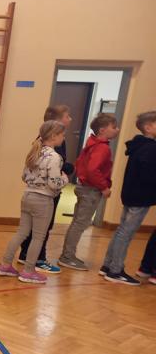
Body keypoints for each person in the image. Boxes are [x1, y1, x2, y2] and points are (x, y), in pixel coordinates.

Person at [0, 121, 68, 284]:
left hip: (27, 196)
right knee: (38, 237)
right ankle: (28, 271)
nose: (64, 138)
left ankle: (5, 264)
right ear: (54, 136)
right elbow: (54, 184)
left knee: (21, 233)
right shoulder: (54, 157)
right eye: (62, 135)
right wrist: (64, 179)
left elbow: (24, 176)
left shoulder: (35, 152)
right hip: (43, 200)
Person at [100, 111, 156, 285]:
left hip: (132, 195)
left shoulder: (139, 145)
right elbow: (148, 175)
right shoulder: (151, 148)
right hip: (140, 197)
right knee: (126, 233)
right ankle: (115, 270)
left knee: (122, 231)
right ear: (148, 127)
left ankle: (107, 265)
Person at [58, 113, 119, 271]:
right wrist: (104, 187)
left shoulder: (92, 142)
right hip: (90, 190)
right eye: (114, 127)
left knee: (78, 222)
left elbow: (82, 164)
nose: (117, 129)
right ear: (102, 130)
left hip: (85, 188)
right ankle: (67, 257)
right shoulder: (102, 148)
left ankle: (68, 254)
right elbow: (92, 169)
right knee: (80, 224)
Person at [18, 105, 75, 272]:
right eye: (67, 116)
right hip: (46, 195)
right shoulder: (53, 147)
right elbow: (55, 172)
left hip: (33, 193)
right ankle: (38, 259)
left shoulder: (42, 142)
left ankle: (26, 254)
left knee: (30, 228)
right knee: (43, 228)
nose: (70, 119)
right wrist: (67, 172)